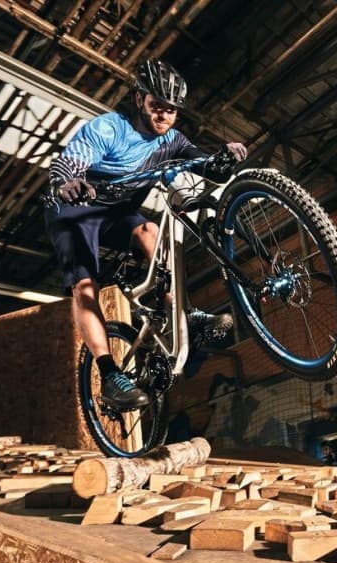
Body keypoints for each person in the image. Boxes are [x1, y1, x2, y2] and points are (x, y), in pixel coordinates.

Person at [45, 60, 247, 409]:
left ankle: (181, 314)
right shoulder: (109, 128)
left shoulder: (172, 140)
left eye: (172, 110)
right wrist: (68, 182)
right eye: (157, 106)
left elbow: (205, 166)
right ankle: (110, 376)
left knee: (149, 230)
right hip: (75, 211)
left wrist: (225, 159)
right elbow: (68, 163)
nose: (164, 116)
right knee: (86, 287)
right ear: (140, 99)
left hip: (117, 214)